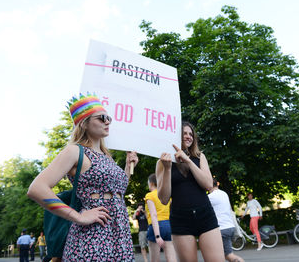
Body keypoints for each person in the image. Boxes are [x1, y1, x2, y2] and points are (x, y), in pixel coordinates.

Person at [27, 94, 139, 261]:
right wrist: (78, 217)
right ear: (84, 123)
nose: (107, 121)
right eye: (101, 118)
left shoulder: (107, 156)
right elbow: (36, 188)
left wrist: (128, 168)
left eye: (108, 118)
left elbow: (116, 192)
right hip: (92, 236)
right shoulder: (75, 151)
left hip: (119, 234)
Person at [156, 121, 224, 262]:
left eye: (190, 134)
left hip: (205, 215)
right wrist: (168, 169)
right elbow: (163, 199)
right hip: (180, 220)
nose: (188, 137)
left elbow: (208, 185)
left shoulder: (200, 157)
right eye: (184, 133)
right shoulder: (162, 162)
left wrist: (188, 160)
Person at [208, 178, 244, 262]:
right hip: (230, 227)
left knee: (228, 255)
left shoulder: (210, 197)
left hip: (221, 229)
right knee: (223, 255)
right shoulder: (224, 193)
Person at [144, 173, 177, 262]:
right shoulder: (167, 195)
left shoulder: (149, 195)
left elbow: (154, 215)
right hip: (168, 225)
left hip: (155, 226)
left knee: (155, 259)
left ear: (151, 183)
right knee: (171, 257)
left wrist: (157, 236)